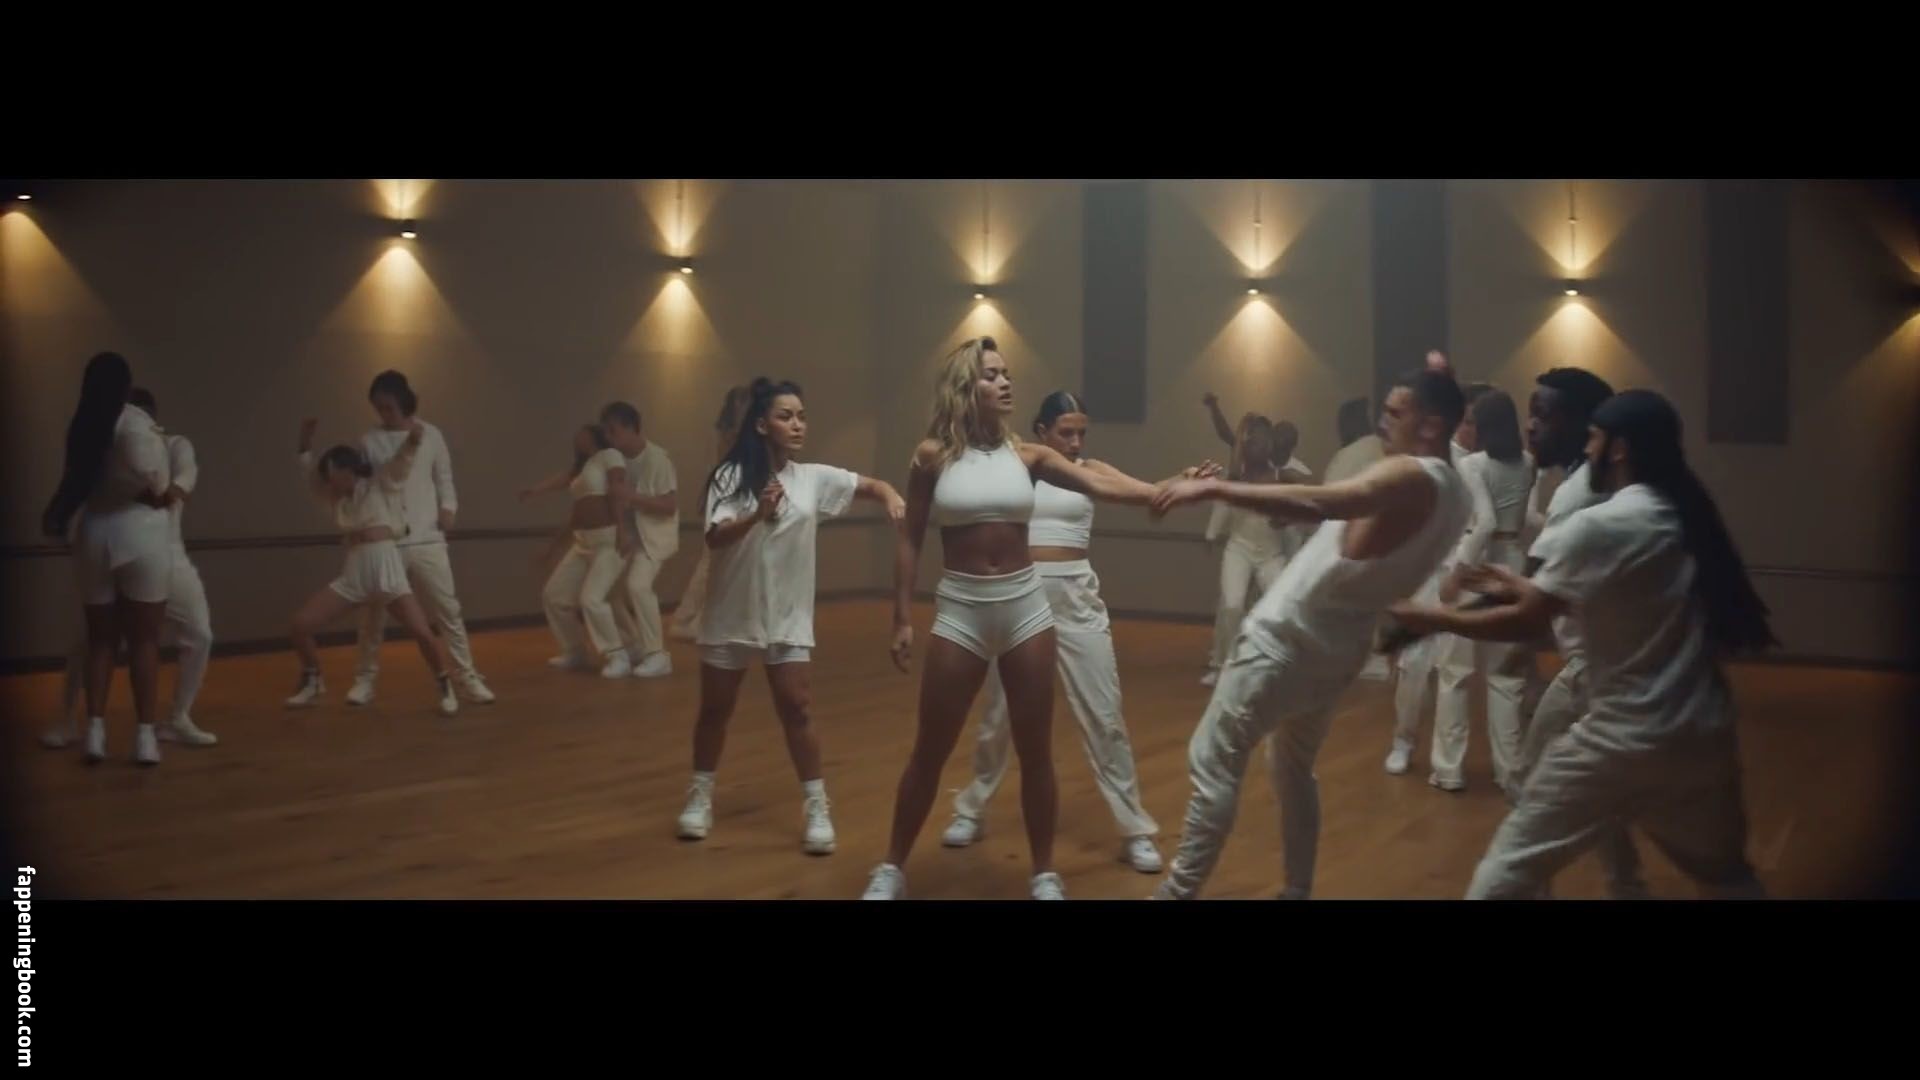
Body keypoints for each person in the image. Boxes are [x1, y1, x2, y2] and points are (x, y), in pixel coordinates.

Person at [1389, 389, 1773, 900]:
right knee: (1727, 878)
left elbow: (1530, 623)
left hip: (1621, 737)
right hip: (1703, 736)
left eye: (1595, 439)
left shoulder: (1600, 523)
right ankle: (1626, 886)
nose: (1589, 450)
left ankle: (1623, 885)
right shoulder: (1685, 517)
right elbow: (1616, 600)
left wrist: (1430, 618)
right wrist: (1523, 587)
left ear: (1619, 448)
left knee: (1500, 876)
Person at [1146, 368, 1471, 900]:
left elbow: (1323, 501)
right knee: (1292, 767)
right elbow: (1362, 541)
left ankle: (1176, 893)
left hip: (1286, 639)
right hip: (1337, 651)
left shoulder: (1413, 474)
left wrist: (1211, 486)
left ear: (1431, 425)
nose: (1381, 422)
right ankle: (1297, 889)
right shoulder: (1458, 495)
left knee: (1213, 757)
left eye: (1395, 413)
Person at [862, 337, 1169, 900]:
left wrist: (1168, 489)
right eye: (991, 375)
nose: (1005, 383)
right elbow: (910, 537)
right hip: (962, 609)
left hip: (1026, 608)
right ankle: (891, 868)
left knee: (1035, 751)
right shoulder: (932, 456)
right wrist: (901, 616)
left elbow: (1101, 483)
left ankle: (1044, 872)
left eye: (1006, 374)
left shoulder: (1028, 456)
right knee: (930, 750)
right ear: (965, 386)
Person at [940, 390, 1213, 874]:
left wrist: (1181, 483)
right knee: (999, 716)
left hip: (1076, 600)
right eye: (1066, 432)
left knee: (1104, 713)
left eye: (1081, 432)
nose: (1076, 441)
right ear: (1042, 432)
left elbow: (1147, 495)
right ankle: (972, 809)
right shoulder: (1019, 466)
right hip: (1020, 596)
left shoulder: (1091, 470)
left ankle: (1134, 830)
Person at [674, 378, 906, 855]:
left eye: (801, 416)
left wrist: (890, 497)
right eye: (786, 416)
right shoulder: (730, 477)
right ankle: (699, 797)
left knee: (797, 709)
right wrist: (756, 515)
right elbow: (715, 537)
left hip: (787, 615)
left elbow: (869, 484)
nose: (798, 424)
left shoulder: (812, 477)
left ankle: (816, 807)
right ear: (762, 425)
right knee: (715, 710)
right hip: (732, 613)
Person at [45, 388, 218, 750]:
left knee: (200, 634)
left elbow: (182, 480)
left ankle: (177, 719)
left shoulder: (174, 445)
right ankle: (69, 721)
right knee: (87, 641)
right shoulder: (104, 452)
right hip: (116, 552)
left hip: (170, 557)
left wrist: (161, 493)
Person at [43, 352, 174, 765]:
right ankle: (145, 738)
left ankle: (95, 733)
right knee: (144, 641)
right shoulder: (135, 423)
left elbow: (77, 481)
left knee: (100, 641)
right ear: (126, 385)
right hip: (139, 535)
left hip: (93, 533)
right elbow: (157, 482)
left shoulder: (82, 425)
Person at [286, 417, 459, 717]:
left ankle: (445, 684)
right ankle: (312, 679)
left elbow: (399, 464)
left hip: (388, 573)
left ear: (348, 470)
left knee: (423, 633)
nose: (330, 483)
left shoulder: (379, 485)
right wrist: (304, 441)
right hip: (354, 576)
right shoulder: (335, 499)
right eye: (328, 478)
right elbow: (309, 474)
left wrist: (413, 441)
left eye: (334, 476)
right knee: (300, 625)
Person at [344, 372, 495, 707]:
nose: (384, 413)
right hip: (387, 542)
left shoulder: (432, 434)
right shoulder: (368, 441)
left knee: (448, 609)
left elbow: (444, 478)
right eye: (378, 408)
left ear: (403, 401)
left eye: (388, 406)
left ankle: (467, 677)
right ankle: (365, 679)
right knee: (373, 613)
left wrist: (448, 508)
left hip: (428, 537)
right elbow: (368, 487)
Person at [524, 424, 631, 672]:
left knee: (591, 599)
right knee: (554, 596)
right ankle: (575, 651)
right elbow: (564, 485)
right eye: (576, 437)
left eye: (583, 434)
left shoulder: (609, 456)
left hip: (608, 540)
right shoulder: (580, 471)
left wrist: (622, 531)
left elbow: (617, 492)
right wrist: (535, 491)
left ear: (595, 436)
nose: (578, 438)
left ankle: (618, 656)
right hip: (583, 542)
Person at [600, 402, 678, 679]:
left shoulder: (658, 459)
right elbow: (616, 499)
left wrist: (632, 497)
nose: (609, 437)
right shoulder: (615, 460)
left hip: (655, 537)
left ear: (632, 428)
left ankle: (657, 654)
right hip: (631, 535)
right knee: (607, 590)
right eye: (606, 432)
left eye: (614, 431)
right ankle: (634, 645)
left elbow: (669, 506)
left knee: (638, 585)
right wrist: (622, 531)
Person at [669, 386, 751, 643]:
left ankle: (689, 619)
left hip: (737, 500)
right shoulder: (730, 436)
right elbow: (722, 470)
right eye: (741, 402)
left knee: (718, 563)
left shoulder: (740, 435)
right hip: (729, 500)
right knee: (712, 563)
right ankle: (692, 620)